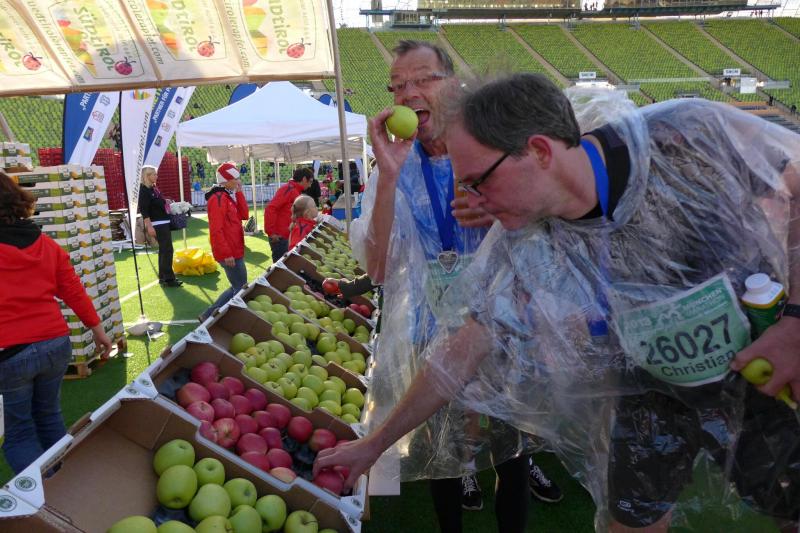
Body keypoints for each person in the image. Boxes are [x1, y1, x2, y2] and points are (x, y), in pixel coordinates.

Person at [316, 73, 800, 531]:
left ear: (539, 151)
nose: (472, 201)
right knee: (632, 519)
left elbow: (795, 186)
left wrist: (795, 321)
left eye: (479, 181)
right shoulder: (526, 238)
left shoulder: (684, 136)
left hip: (767, 353)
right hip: (651, 390)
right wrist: (374, 445)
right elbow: (462, 347)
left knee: (790, 500)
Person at [348, 41, 558, 533]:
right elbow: (377, 267)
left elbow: (551, 225)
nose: (409, 93)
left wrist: (499, 208)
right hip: (432, 333)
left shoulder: (495, 147)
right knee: (440, 454)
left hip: (503, 326)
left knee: (511, 451)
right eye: (398, 86)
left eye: (423, 79)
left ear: (454, 85)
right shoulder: (395, 166)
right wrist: (388, 176)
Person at [0, 172, 112, 474]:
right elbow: (73, 290)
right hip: (55, 343)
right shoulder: (45, 243)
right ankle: (67, 484)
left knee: (19, 435)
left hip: (11, 352)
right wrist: (99, 331)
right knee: (49, 417)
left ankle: (49, 492)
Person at [199, 163, 249, 322]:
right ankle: (216, 317)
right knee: (241, 287)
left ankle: (208, 315)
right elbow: (216, 229)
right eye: (235, 178)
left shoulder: (226, 195)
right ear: (226, 180)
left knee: (239, 286)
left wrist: (239, 192)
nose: (238, 181)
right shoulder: (218, 198)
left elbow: (244, 215)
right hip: (229, 251)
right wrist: (226, 253)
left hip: (234, 249)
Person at [139, 165, 182, 287]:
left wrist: (165, 201)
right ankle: (169, 279)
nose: (156, 176)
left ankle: (163, 277)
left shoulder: (153, 189)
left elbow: (157, 203)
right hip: (157, 224)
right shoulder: (144, 190)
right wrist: (149, 226)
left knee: (164, 250)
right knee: (167, 250)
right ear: (147, 176)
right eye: (154, 174)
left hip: (163, 222)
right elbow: (144, 210)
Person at [264, 167, 312, 262]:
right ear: (304, 179)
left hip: (287, 236)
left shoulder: (294, 190)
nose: (310, 185)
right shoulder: (288, 189)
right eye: (310, 181)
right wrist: (271, 233)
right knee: (282, 268)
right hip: (280, 238)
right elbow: (271, 208)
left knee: (289, 266)